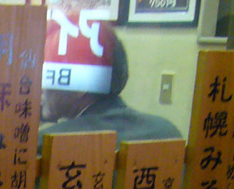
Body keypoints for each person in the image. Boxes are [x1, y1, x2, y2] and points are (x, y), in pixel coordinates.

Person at [40, 11, 182, 144]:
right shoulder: (168, 133)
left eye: (47, 74)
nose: (40, 87)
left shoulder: (49, 143)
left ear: (81, 84)